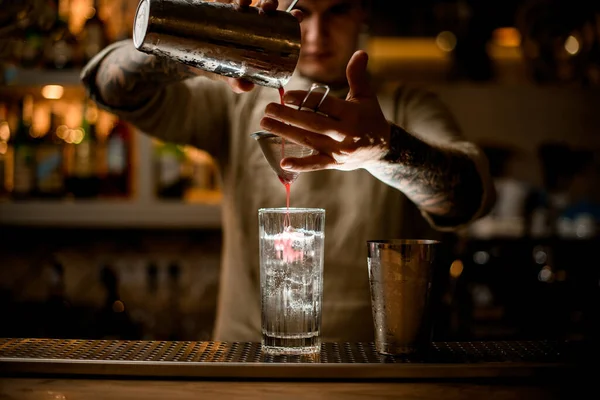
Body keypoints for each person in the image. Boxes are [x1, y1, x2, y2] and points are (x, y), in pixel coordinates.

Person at [81, 0, 495, 342]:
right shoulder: (235, 99)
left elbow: (469, 198)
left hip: (372, 367)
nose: (314, 34)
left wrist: (386, 149)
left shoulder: (405, 105)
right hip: (244, 363)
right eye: (301, 13)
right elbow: (107, 85)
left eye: (336, 11)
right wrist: (197, 45)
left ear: (362, 13)